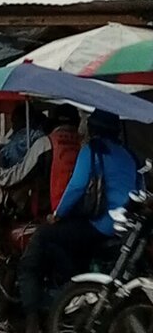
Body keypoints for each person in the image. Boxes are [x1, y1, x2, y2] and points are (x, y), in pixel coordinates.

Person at [18, 110, 139, 333]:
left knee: (43, 237)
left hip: (102, 225)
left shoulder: (92, 150)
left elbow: (76, 186)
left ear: (93, 129)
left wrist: (58, 214)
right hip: (128, 229)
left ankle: (32, 318)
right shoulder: (129, 155)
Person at [0, 105, 82, 333]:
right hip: (79, 221)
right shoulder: (83, 145)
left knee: (24, 264)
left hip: (46, 218)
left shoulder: (45, 143)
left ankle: (28, 323)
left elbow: (19, 174)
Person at [0, 104, 43, 169]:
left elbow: (1, 167)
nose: (13, 126)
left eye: (14, 121)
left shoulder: (7, 149)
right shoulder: (42, 138)